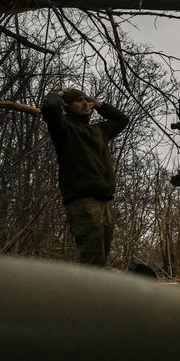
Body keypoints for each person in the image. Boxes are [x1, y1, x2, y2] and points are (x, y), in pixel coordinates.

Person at [41, 88, 129, 266]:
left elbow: (122, 120)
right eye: (79, 100)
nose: (85, 103)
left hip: (102, 201)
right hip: (82, 202)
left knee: (100, 261)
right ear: (67, 105)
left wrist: (98, 104)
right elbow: (49, 107)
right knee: (92, 262)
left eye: (85, 100)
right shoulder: (64, 128)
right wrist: (60, 95)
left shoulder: (99, 130)